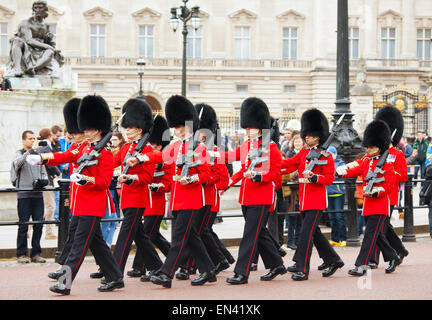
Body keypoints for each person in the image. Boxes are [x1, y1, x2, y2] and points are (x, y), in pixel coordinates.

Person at [27, 95, 124, 295]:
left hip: (92, 207)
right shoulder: (83, 149)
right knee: (97, 245)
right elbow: (65, 156)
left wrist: (85, 180)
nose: (84, 132)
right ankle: (115, 277)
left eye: (88, 129)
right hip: (80, 205)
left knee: (78, 247)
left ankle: (64, 282)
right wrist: (42, 159)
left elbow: (105, 183)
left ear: (98, 129)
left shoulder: (105, 153)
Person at [126, 95, 216, 288]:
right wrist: (140, 159)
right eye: (176, 128)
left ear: (189, 127)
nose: (177, 131)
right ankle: (208, 270)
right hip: (177, 199)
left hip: (192, 199)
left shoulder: (199, 148)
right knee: (191, 236)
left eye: (180, 128)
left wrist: (191, 179)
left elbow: (207, 175)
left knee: (179, 237)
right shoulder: (176, 146)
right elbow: (160, 156)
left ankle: (167, 273)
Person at [217, 97, 286, 285]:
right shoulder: (248, 145)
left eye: (251, 127)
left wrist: (258, 176)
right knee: (259, 232)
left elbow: (274, 174)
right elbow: (232, 158)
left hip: (262, 197)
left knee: (249, 235)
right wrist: (212, 154)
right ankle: (277, 264)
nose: (247, 130)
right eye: (246, 127)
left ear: (260, 127)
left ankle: (242, 272)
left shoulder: (271, 148)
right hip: (246, 197)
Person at [282, 108, 344, 281]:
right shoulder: (303, 152)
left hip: (316, 200)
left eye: (310, 135)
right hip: (304, 199)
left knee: (306, 233)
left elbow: (330, 178)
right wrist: (272, 162)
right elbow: (289, 164)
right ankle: (334, 260)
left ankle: (302, 267)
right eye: (306, 135)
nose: (306, 137)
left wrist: (315, 177)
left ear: (318, 136)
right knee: (313, 233)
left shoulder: (326, 155)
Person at [175, 104, 233, 280]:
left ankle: (190, 266)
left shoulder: (213, 152)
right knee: (196, 232)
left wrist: (204, 180)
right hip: (193, 196)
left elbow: (223, 179)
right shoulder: (189, 150)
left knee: (195, 231)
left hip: (208, 198)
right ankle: (218, 260)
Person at [337, 120, 401, 276]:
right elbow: (355, 168)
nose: (368, 149)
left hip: (380, 205)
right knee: (377, 235)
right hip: (368, 204)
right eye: (368, 147)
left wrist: (377, 191)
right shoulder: (366, 161)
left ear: (379, 147)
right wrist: (340, 171)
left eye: (371, 147)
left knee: (369, 236)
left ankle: (361, 265)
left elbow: (389, 186)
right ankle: (393, 257)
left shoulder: (387, 164)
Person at [127, 115, 173, 281]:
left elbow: (168, 183)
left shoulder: (165, 161)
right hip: (145, 203)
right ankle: (178, 260)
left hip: (157, 203)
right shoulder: (146, 158)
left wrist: (157, 186)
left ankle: (141, 267)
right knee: (152, 236)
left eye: (153, 145)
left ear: (159, 146)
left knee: (146, 235)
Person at [369, 106, 409, 268]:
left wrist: (388, 174)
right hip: (376, 194)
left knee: (380, 228)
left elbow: (403, 176)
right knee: (384, 226)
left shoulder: (397, 154)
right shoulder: (377, 153)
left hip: (390, 195)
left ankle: (374, 259)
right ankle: (400, 249)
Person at [12, 130, 48, 264]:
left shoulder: (39, 155)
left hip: (38, 194)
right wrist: (30, 151)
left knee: (39, 224)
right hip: (24, 195)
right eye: (30, 139)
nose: (33, 141)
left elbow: (44, 171)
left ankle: (36, 254)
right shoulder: (19, 153)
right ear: (23, 140)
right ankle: (21, 254)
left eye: (34, 138)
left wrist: (43, 181)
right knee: (23, 225)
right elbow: (17, 164)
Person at [37, 128, 61, 239]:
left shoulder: (39, 147)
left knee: (40, 207)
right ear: (49, 136)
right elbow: (50, 162)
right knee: (50, 206)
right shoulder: (46, 148)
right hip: (47, 180)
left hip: (39, 180)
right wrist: (57, 172)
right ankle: (49, 231)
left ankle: (29, 228)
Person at [284, 133, 303, 250]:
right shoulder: (290, 154)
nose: (297, 143)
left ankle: (297, 240)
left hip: (302, 189)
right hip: (293, 191)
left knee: (300, 218)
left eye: (299, 141)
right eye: (295, 142)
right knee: (292, 217)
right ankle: (290, 241)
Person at [325, 146, 347, 247]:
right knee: (332, 217)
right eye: (328, 153)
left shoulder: (341, 163)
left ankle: (343, 238)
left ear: (335, 154)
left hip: (338, 193)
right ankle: (335, 239)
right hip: (328, 193)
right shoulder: (325, 162)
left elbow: (341, 171)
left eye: (332, 153)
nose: (330, 155)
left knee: (339, 216)